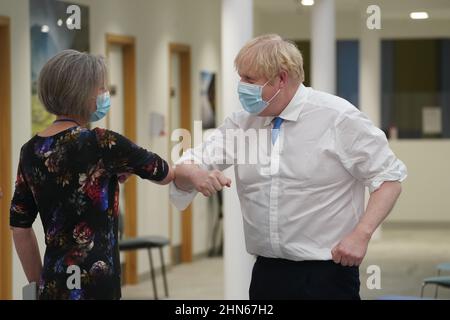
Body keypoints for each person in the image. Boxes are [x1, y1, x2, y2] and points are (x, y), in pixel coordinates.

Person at [171, 34, 407, 300]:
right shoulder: (243, 123)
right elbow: (186, 164)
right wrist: (196, 174)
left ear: (281, 79)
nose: (241, 86)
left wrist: (361, 235)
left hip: (326, 274)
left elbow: (389, 178)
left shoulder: (337, 117)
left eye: (249, 79)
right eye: (241, 78)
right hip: (267, 272)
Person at [10, 50, 173, 300]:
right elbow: (161, 171)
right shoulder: (102, 142)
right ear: (84, 93)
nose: (105, 94)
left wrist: (37, 284)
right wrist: (194, 172)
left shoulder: (30, 150)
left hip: (54, 284)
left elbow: (20, 227)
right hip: (98, 285)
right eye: (101, 88)